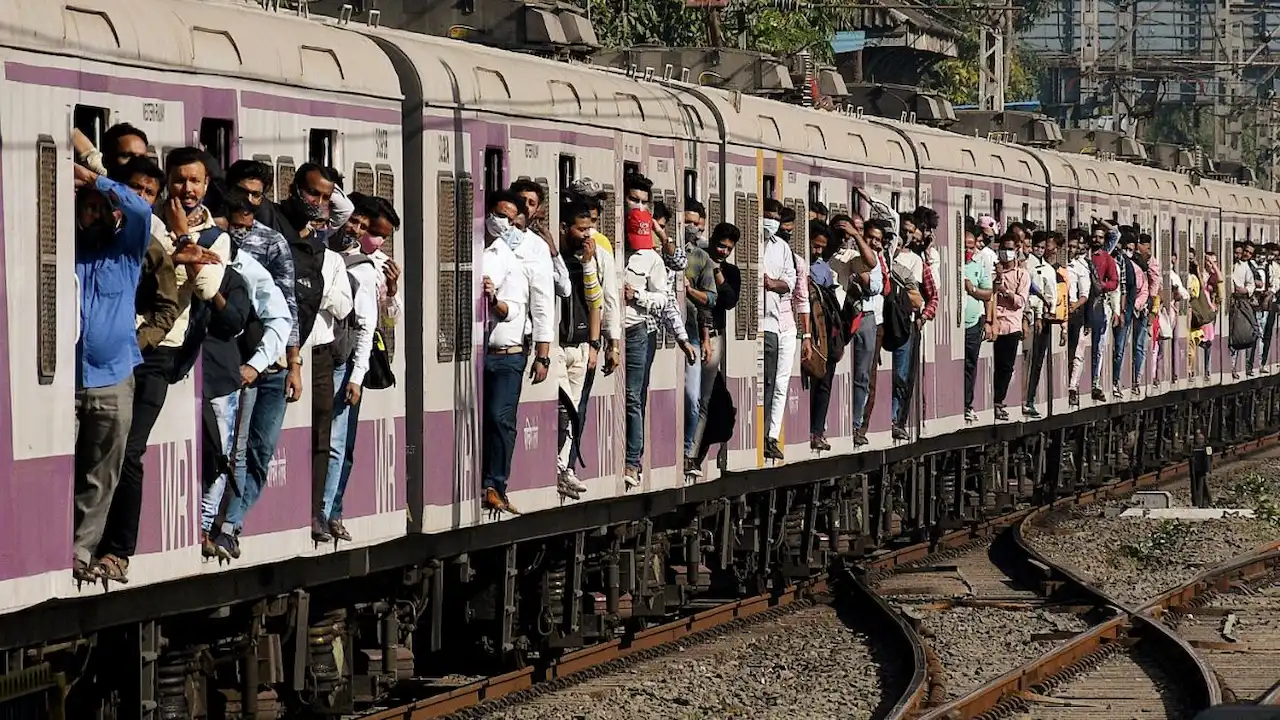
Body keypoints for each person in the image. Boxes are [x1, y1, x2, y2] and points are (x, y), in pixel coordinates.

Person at [96, 147, 230, 582]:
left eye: (195, 181)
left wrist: (183, 240)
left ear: (206, 185)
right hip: (119, 343)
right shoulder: (145, 220)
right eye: (179, 181)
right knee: (104, 442)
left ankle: (119, 550)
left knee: (131, 449)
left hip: (160, 351)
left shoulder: (215, 236)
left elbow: (207, 286)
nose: (186, 189)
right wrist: (174, 252)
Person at [71, 164, 153, 582]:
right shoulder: (65, 248)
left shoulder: (126, 251)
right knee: (60, 467)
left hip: (112, 376)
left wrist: (97, 180)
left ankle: (80, 552)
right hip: (62, 383)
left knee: (102, 472)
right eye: (88, 209)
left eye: (102, 209)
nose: (95, 216)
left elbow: (141, 211)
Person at [317, 198, 382, 541]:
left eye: (361, 225)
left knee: (338, 441)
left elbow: (367, 325)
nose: (353, 228)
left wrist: (357, 376)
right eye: (351, 220)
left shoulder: (362, 267)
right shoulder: (320, 253)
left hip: (341, 364)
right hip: (317, 359)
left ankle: (329, 510)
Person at [623, 174, 687, 487]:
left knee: (634, 396)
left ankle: (632, 459)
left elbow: (678, 261)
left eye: (644, 202)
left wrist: (657, 230)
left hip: (641, 329)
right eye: (633, 200)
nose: (638, 207)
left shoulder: (652, 253)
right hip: (614, 330)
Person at [481, 191, 531, 513]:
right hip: (484, 353)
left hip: (509, 356)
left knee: (501, 420)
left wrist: (495, 300)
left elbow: (515, 308)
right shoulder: (483, 249)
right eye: (501, 216)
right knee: (488, 419)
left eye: (512, 221)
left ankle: (496, 484)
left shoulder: (505, 254)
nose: (505, 224)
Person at [553, 200, 602, 499]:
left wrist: (595, 344)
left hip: (581, 346)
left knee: (573, 412)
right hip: (559, 344)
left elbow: (595, 299)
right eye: (581, 229)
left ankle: (564, 468)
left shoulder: (588, 260)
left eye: (589, 229)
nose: (587, 235)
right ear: (564, 228)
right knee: (562, 409)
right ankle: (558, 468)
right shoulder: (556, 260)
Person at [690, 223, 741, 464]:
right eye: (721, 246)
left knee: (706, 400)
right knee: (693, 396)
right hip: (691, 334)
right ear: (712, 240)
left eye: (728, 249)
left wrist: (717, 271)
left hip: (714, 335)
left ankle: (694, 453)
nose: (723, 251)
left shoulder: (730, 272)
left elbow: (729, 300)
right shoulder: (696, 260)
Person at [681, 200, 718, 474]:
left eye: (695, 222)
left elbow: (710, 301)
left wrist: (706, 338)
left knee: (693, 397)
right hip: (671, 336)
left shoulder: (701, 258)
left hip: (693, 335)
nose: (691, 227)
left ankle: (687, 451)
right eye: (686, 221)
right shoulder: (667, 252)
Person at [761, 199, 798, 459]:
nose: (771, 222)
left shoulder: (781, 248)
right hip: (758, 324)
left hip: (775, 324)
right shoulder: (750, 242)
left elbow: (790, 284)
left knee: (775, 382)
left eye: (775, 217)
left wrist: (772, 284)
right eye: (767, 216)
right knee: (764, 382)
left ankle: (770, 435)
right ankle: (761, 434)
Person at [806, 221, 839, 449]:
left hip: (823, 333)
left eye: (821, 247)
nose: (817, 251)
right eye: (815, 246)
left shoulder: (824, 270)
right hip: (805, 331)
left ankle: (817, 431)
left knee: (823, 382)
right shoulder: (799, 264)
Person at [991, 233, 1030, 420]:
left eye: (1009, 249)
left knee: (1005, 367)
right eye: (1003, 249)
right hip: (992, 323)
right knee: (992, 364)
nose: (1006, 253)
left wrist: (1005, 291)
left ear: (1016, 250)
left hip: (1011, 326)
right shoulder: (992, 271)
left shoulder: (1022, 274)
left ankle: (999, 401)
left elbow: (1020, 302)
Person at [1023, 232, 1057, 417]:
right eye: (1036, 246)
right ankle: (1026, 400)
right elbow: (1031, 292)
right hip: (1032, 317)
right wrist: (1037, 316)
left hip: (1044, 318)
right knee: (1029, 361)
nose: (1038, 250)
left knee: (1037, 362)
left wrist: (1049, 314)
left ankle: (1031, 398)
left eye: (1042, 247)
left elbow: (1051, 295)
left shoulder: (1047, 269)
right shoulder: (1026, 265)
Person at [962, 221, 993, 422]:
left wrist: (972, 289)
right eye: (964, 245)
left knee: (970, 364)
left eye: (971, 246)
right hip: (956, 324)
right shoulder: (956, 264)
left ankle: (967, 403)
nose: (967, 249)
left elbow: (988, 292)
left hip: (973, 322)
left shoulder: (978, 265)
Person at [1065, 231, 1094, 407]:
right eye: (1070, 245)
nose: (1071, 249)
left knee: (1076, 353)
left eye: (1075, 247)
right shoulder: (1061, 266)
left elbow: (1085, 294)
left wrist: (1074, 306)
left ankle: (1072, 387)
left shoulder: (1081, 268)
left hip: (1075, 314)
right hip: (1061, 313)